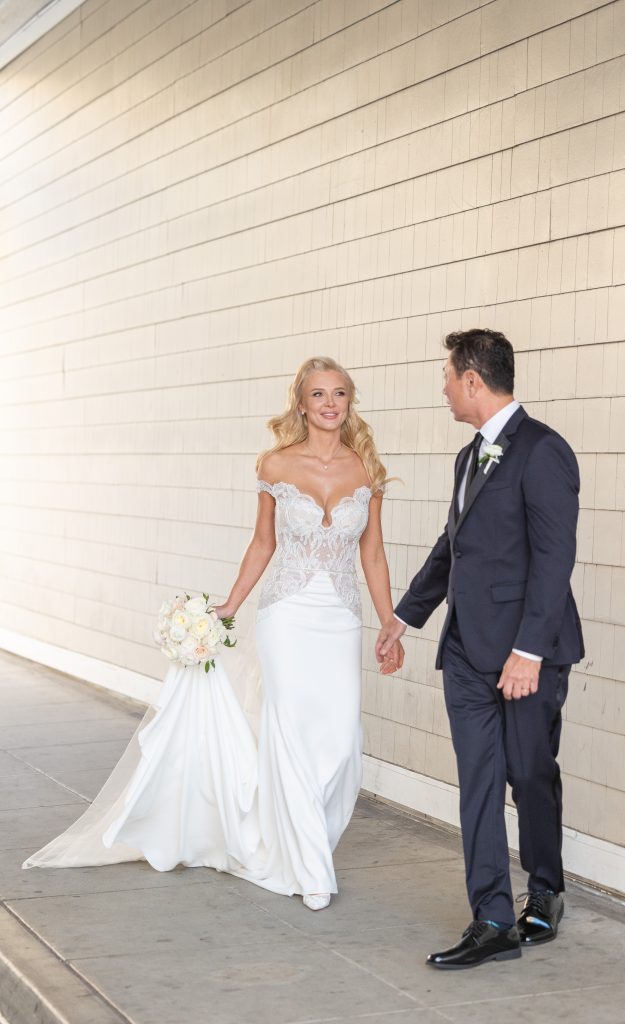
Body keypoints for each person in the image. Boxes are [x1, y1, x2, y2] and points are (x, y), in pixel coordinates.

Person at [24, 357, 404, 912]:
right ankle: (310, 869)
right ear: (300, 403)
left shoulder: (365, 467)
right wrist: (229, 604)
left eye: (339, 394)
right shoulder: (275, 465)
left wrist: (388, 619)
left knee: (341, 739)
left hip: (341, 617)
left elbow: (372, 552)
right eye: (318, 394)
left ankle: (306, 842)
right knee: (292, 733)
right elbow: (262, 544)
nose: (329, 403)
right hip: (287, 617)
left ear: (350, 402)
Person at [377, 329, 583, 967]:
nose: (442, 387)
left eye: (446, 376)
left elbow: (554, 560)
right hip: (466, 652)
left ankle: (544, 890)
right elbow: (453, 549)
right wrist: (404, 618)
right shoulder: (468, 458)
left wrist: (529, 650)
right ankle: (492, 918)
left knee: (530, 776)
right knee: (479, 781)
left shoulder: (544, 451)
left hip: (526, 655)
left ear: (472, 379)